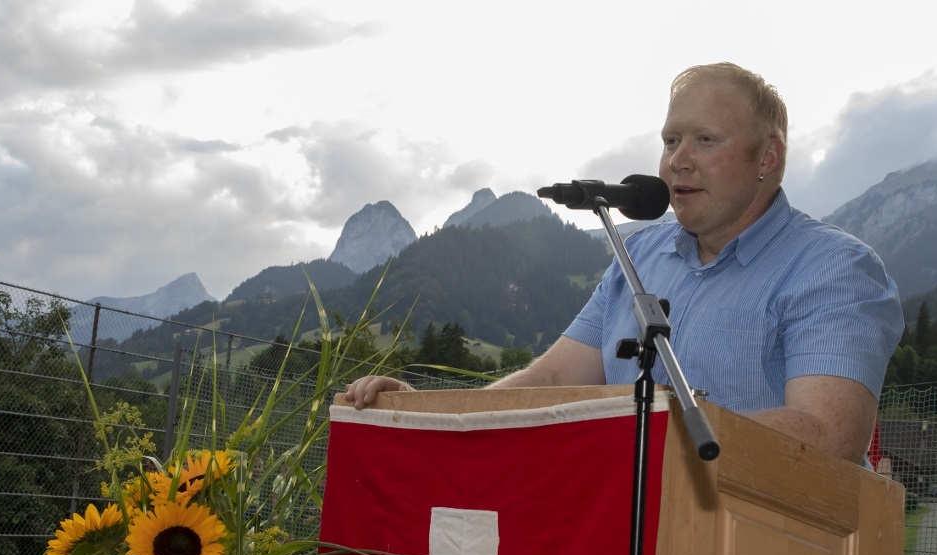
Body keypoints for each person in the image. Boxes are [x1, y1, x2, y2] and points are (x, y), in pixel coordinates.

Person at [345, 62, 903, 465]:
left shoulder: (834, 269)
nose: (677, 160)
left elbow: (828, 435)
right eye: (670, 139)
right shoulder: (638, 254)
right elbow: (554, 380)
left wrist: (642, 437)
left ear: (768, 157)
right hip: (608, 548)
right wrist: (436, 414)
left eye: (705, 139)